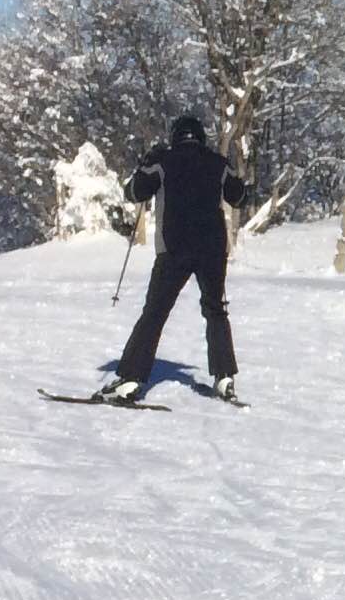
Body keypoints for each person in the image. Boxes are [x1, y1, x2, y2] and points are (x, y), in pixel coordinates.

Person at [99, 114, 252, 403]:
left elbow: (134, 192)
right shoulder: (218, 163)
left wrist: (146, 163)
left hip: (174, 250)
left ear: (174, 137)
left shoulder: (163, 161)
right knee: (215, 309)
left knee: (155, 312)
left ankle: (131, 379)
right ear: (200, 137)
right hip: (212, 250)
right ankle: (224, 377)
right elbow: (239, 197)